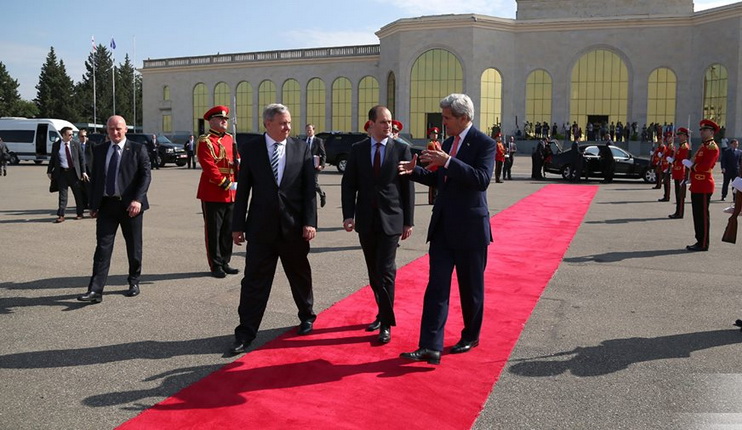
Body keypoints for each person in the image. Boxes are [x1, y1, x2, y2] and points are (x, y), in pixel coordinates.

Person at [397, 93, 496, 365]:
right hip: (442, 227)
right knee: (437, 287)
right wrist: (414, 171)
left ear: (464, 118)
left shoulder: (484, 144)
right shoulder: (449, 143)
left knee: (471, 289)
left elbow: (481, 179)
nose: (443, 122)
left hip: (471, 228)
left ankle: (470, 335)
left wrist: (448, 161)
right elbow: (440, 179)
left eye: (447, 117)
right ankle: (430, 345)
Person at [229, 103, 318, 355]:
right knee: (254, 282)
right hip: (260, 230)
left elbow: (308, 191)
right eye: (282, 123)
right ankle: (245, 332)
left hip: (294, 228)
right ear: (267, 124)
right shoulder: (252, 150)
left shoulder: (301, 149)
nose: (288, 127)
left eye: (289, 122)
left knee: (300, 275)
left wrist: (310, 222)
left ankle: (307, 316)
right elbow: (243, 190)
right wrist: (238, 226)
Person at [341, 105, 414, 345]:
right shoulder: (358, 149)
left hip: (392, 220)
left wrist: (408, 221)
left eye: (390, 121)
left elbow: (407, 188)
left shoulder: (401, 148)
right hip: (366, 220)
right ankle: (381, 312)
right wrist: (348, 215)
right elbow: (349, 184)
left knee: (386, 271)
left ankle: (385, 324)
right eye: (383, 122)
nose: (388, 126)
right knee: (374, 273)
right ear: (371, 124)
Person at [77, 116, 151, 303]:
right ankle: (95, 290)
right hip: (107, 206)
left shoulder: (137, 148)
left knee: (134, 247)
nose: (115, 132)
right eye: (111, 129)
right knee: (102, 248)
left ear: (126, 129)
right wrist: (93, 205)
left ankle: (134, 281)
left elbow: (145, 176)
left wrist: (137, 200)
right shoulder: (100, 150)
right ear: (107, 131)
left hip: (130, 207)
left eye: (118, 128)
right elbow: (96, 180)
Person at [197, 106, 240, 278]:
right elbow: (209, 166)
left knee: (228, 230)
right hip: (214, 192)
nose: (224, 121)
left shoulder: (230, 139)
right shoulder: (205, 141)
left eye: (226, 119)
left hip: (232, 192)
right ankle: (215, 265)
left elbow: (235, 162)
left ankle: (225, 261)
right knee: (214, 232)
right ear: (211, 121)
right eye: (220, 119)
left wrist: (238, 165)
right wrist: (225, 183)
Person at [685, 119, 720, 251]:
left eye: (704, 130)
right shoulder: (703, 146)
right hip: (697, 184)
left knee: (703, 216)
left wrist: (692, 167)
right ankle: (699, 240)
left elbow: (706, 166)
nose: (702, 132)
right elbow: (695, 159)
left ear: (711, 132)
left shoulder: (712, 147)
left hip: (704, 184)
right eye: (701, 130)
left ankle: (704, 243)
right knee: (697, 215)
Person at [47, 127, 88, 223]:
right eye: (69, 134)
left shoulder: (76, 144)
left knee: (77, 193)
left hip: (74, 172)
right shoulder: (56, 145)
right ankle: (61, 215)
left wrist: (84, 172)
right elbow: (53, 159)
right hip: (62, 173)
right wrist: (49, 171)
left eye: (72, 134)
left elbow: (81, 159)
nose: (71, 136)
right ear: (63, 135)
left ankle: (80, 213)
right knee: (63, 195)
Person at [668, 127, 691, 219]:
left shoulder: (685, 147)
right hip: (677, 171)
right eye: (679, 135)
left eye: (681, 135)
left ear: (685, 136)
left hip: (681, 172)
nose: (680, 137)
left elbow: (682, 160)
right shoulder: (681, 146)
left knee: (680, 194)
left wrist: (673, 161)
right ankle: (677, 211)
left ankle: (680, 212)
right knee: (677, 193)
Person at [305, 124, 327, 207]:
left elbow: (323, 154)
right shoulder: (303, 141)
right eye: (307, 130)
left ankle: (322, 195)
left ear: (314, 130)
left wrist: (322, 165)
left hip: (315, 165)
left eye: (310, 130)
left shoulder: (318, 140)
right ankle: (309, 201)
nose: (308, 131)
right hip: (305, 166)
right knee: (306, 183)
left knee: (314, 183)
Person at [78, 129, 94, 209]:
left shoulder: (91, 145)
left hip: (90, 169)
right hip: (80, 169)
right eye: (82, 136)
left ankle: (90, 204)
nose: (84, 138)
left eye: (85, 136)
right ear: (79, 137)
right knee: (81, 188)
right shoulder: (76, 145)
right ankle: (84, 204)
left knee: (89, 188)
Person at [426, 127, 441, 204]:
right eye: (433, 134)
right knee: (432, 185)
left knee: (437, 184)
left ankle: (436, 198)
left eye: (436, 134)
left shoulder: (438, 143)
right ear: (430, 135)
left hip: (437, 165)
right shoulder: (430, 144)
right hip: (432, 165)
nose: (435, 136)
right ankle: (432, 200)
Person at [658, 134, 675, 201]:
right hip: (664, 165)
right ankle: (665, 195)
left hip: (668, 166)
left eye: (669, 137)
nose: (668, 139)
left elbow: (672, 156)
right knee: (665, 182)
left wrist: (669, 167)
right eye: (667, 138)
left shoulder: (671, 147)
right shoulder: (668, 146)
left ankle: (667, 196)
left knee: (667, 182)